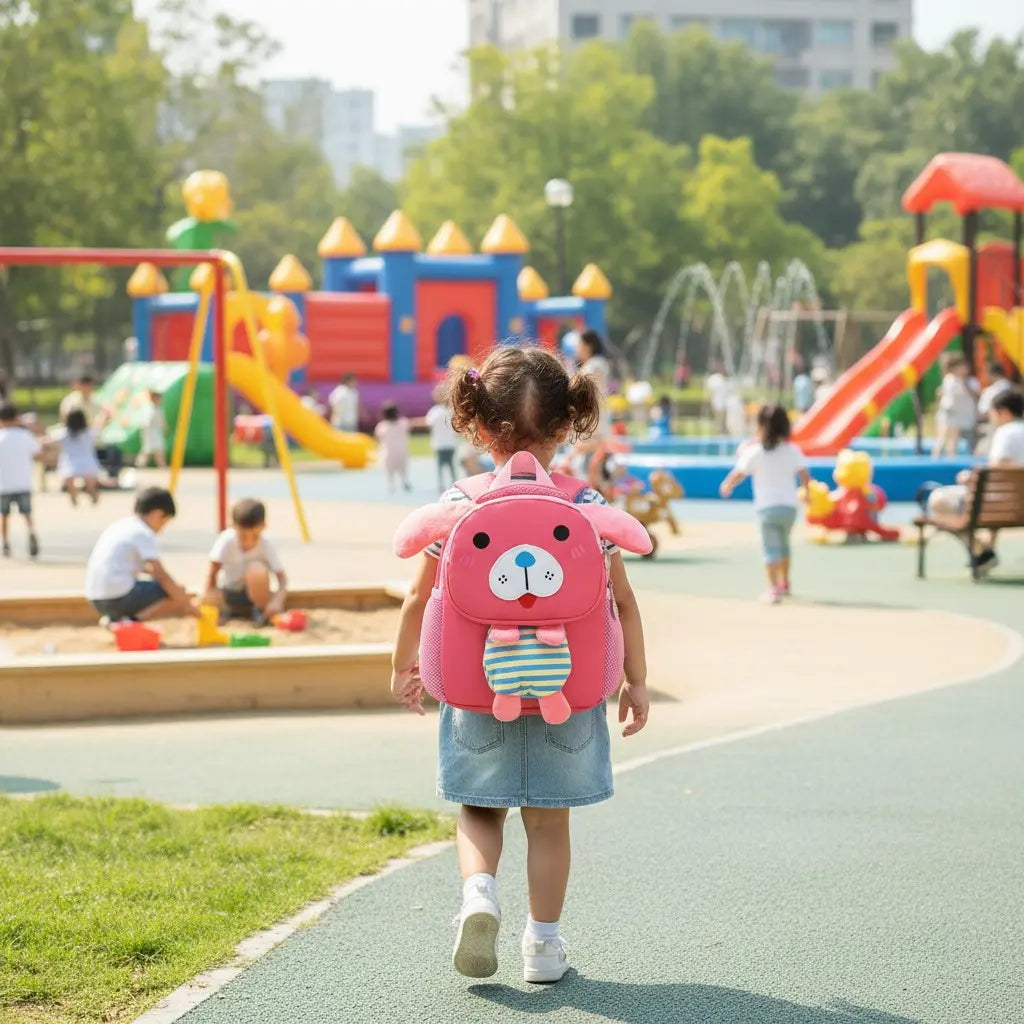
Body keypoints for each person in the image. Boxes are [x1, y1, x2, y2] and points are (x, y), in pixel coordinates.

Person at [389, 347, 649, 985]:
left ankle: (479, 894)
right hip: (569, 689)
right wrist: (636, 680)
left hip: (480, 688)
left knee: (480, 810)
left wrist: (403, 666)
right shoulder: (587, 504)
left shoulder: (459, 503)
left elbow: (420, 597)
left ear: (478, 425)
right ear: (566, 425)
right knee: (549, 821)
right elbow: (622, 599)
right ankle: (544, 947)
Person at [719, 404, 811, 604]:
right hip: (789, 508)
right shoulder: (792, 451)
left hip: (767, 508)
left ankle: (773, 588)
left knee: (770, 548)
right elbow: (804, 473)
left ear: (760, 426)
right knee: (784, 545)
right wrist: (807, 492)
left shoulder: (755, 452)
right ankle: (785, 582)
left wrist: (727, 485)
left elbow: (738, 473)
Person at [927, 389, 1024, 574]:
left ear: (1003, 412)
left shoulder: (1005, 433)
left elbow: (998, 469)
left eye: (992, 412)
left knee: (937, 499)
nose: (990, 417)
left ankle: (981, 550)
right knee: (992, 501)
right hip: (1016, 503)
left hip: (997, 502)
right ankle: (986, 550)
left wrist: (971, 478)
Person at [85, 487, 199, 623]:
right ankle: (130, 622)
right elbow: (161, 575)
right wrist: (185, 602)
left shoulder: (118, 526)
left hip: (94, 596)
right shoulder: (143, 532)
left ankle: (114, 619)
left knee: (165, 588)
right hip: (117, 597)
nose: (161, 529)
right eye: (164, 523)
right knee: (172, 591)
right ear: (157, 514)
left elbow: (134, 567)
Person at [203, 498, 288, 627]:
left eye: (253, 536)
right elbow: (212, 572)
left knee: (257, 569)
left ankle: (260, 611)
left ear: (263, 527)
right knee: (205, 597)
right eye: (242, 536)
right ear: (233, 527)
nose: (247, 541)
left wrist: (277, 601)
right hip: (229, 593)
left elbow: (282, 579)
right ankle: (225, 612)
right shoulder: (227, 540)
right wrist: (209, 599)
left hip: (256, 596)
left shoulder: (266, 543)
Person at [0, 403, 41, 558]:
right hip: (23, 482)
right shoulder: (25, 436)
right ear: (17, 418)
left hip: (3, 484)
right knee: (27, 513)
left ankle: (5, 542)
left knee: (4, 515)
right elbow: (37, 453)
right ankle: (31, 532)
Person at [934, 353, 977, 457]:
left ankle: (951, 458)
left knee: (954, 439)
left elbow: (972, 393)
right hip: (950, 412)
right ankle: (936, 457)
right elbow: (950, 394)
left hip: (959, 414)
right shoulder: (950, 379)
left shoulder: (965, 381)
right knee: (943, 438)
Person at [58, 409, 101, 506]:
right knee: (69, 478)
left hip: (83, 461)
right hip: (74, 461)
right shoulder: (65, 433)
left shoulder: (86, 433)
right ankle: (77, 495)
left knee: (87, 481)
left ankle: (89, 493)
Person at [576, 330, 612, 444]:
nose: (577, 350)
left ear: (588, 346)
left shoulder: (595, 364)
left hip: (593, 420)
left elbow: (587, 389)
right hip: (591, 418)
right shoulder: (593, 364)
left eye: (579, 345)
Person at [424, 385, 459, 492]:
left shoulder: (435, 411)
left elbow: (429, 425)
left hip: (441, 444)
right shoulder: (450, 410)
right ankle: (452, 483)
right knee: (450, 465)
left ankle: (443, 484)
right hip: (448, 443)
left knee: (442, 466)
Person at [375, 401, 411, 492]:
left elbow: (378, 437)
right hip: (402, 451)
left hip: (388, 453)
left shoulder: (382, 426)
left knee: (389, 471)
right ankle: (404, 481)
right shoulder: (403, 422)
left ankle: (391, 485)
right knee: (402, 470)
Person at [136, 390, 167, 469]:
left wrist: (164, 428)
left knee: (159, 449)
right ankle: (139, 465)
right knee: (147, 450)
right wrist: (146, 433)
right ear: (153, 398)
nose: (160, 400)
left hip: (156, 432)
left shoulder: (158, 408)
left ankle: (162, 466)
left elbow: (161, 421)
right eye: (158, 398)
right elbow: (145, 423)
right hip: (149, 433)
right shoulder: (148, 408)